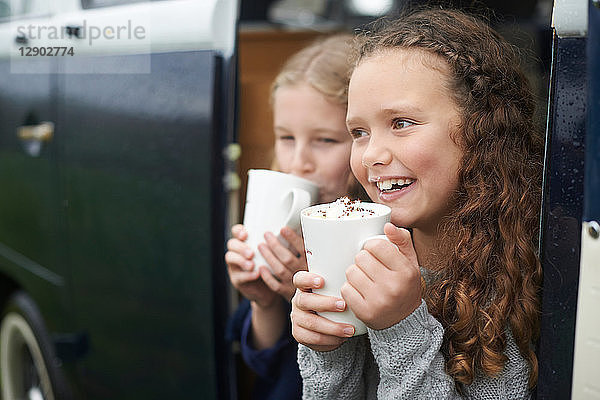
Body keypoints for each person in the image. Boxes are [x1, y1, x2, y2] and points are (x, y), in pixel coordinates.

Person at [291, 9, 544, 399]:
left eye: (402, 123)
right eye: (358, 131)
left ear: (480, 128)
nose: (371, 154)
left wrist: (401, 327)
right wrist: (330, 349)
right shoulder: (360, 261)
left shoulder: (523, 276)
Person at [225, 34, 365, 399]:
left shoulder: (386, 237)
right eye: (286, 138)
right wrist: (265, 300)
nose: (298, 162)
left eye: (325, 141)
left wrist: (316, 293)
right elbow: (265, 364)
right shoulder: (289, 227)